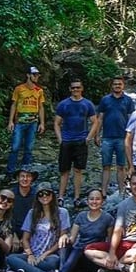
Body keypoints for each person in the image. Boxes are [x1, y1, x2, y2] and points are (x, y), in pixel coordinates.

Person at [83, 170, 136, 272]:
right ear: (130, 185)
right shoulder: (123, 205)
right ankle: (121, 267)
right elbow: (117, 230)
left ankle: (111, 268)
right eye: (134, 184)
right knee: (88, 249)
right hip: (125, 243)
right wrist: (112, 252)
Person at [41, 187, 115, 272]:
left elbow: (110, 242)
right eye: (91, 199)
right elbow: (72, 238)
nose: (94, 202)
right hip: (76, 255)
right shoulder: (81, 216)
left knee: (80, 249)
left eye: (97, 199)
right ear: (87, 201)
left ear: (102, 201)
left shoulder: (108, 218)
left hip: (92, 256)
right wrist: (65, 237)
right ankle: (64, 271)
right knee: (65, 242)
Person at [3, 181, 71, 272]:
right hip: (31, 254)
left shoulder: (62, 212)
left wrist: (45, 254)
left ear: (52, 195)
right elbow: (25, 239)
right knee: (10, 258)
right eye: (41, 194)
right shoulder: (32, 213)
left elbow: (61, 239)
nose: (44, 196)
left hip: (49, 256)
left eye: (47, 193)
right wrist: (30, 255)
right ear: (37, 197)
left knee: (54, 262)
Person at [53, 78, 98, 209]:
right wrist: (60, 139)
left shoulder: (87, 104)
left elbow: (94, 122)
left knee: (78, 170)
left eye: (78, 87)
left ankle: (76, 198)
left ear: (82, 88)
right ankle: (61, 197)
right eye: (73, 88)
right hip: (66, 141)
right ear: (70, 89)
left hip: (81, 141)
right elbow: (57, 122)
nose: (75, 90)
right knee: (64, 170)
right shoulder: (63, 104)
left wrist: (89, 138)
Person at [91, 76, 136, 197]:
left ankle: (121, 191)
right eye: (115, 84)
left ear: (123, 86)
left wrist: (132, 137)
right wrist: (97, 135)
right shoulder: (105, 100)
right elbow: (100, 118)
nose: (117, 86)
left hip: (122, 138)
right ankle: (104, 191)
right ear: (112, 86)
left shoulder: (128, 101)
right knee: (106, 166)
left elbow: (132, 120)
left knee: (121, 166)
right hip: (107, 137)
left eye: (119, 84)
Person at [4, 66, 46, 181]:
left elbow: (41, 107)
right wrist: (10, 121)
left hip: (33, 123)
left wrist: (42, 123)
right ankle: (10, 172)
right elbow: (14, 105)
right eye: (35, 74)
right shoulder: (19, 89)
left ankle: (25, 172)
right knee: (15, 147)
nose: (37, 77)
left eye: (38, 75)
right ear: (28, 75)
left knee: (29, 148)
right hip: (20, 122)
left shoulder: (39, 91)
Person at [8, 165, 38, 252]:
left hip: (31, 231)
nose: (25, 179)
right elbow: (5, 216)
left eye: (28, 176)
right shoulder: (10, 195)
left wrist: (26, 237)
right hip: (12, 230)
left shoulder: (37, 196)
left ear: (32, 179)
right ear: (18, 178)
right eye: (22, 176)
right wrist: (12, 234)